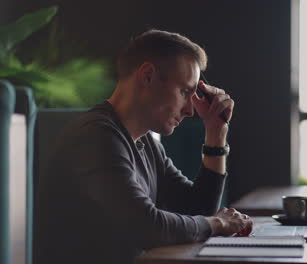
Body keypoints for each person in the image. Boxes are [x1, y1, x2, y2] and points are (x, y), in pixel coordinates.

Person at [36, 29, 253, 264]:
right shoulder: (95, 136)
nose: (190, 110)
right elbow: (147, 227)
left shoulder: (146, 142)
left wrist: (215, 133)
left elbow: (198, 209)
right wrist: (218, 224)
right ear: (147, 76)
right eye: (184, 91)